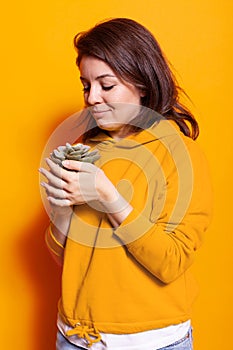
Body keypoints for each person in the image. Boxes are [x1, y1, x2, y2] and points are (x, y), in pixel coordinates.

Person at [39, 18, 212, 350]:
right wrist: (60, 212)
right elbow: (68, 258)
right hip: (76, 338)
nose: (92, 98)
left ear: (142, 83)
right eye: (86, 85)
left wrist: (110, 198)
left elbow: (171, 262)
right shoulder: (85, 149)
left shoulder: (181, 156)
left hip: (154, 341)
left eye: (107, 85)